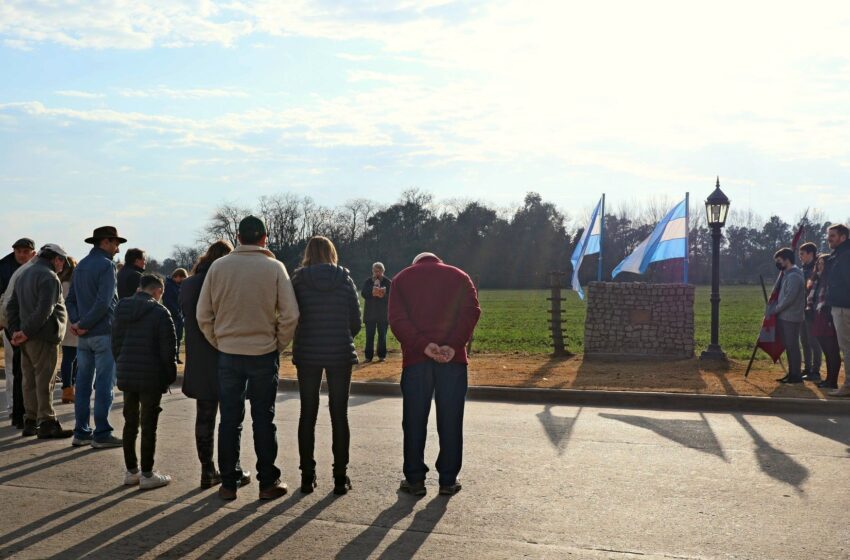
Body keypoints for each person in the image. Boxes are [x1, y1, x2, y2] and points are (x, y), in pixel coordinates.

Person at [197, 216, 300, 501]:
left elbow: (203, 315)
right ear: (264, 238)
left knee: (229, 420)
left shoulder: (218, 267)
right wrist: (276, 344)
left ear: (238, 237)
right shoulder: (274, 267)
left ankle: (228, 482)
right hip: (263, 352)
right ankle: (268, 481)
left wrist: (220, 341)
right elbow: (291, 315)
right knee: (264, 419)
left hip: (229, 352)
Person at [389, 252, 480, 496]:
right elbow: (471, 311)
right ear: (438, 260)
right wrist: (453, 343)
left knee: (414, 420)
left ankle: (415, 479)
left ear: (415, 263)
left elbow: (397, 320)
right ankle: (448, 480)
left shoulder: (400, 279)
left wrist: (423, 345)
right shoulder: (460, 276)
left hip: (417, 359)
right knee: (450, 419)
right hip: (453, 360)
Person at [291, 236, 361, 495]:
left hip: (308, 353)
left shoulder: (298, 281)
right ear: (332, 252)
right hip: (340, 353)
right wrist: (341, 337)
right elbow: (356, 319)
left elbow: (291, 314)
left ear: (308, 253)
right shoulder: (345, 280)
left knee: (307, 414)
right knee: (339, 414)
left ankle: (307, 477)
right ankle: (340, 477)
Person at [180, 240, 250, 489]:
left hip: (198, 356)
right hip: (226, 351)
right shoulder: (226, 280)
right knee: (231, 417)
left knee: (205, 416)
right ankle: (232, 468)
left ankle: (207, 469)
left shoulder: (188, 284)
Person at [112, 274, 177, 490]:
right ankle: (148, 473)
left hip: (127, 371)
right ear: (158, 290)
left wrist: (121, 364)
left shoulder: (122, 307)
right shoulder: (160, 312)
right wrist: (169, 376)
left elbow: (116, 341)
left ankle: (132, 471)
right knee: (149, 424)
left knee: (130, 422)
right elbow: (168, 351)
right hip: (151, 375)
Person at [66, 226, 125, 448]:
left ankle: (81, 432)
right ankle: (101, 433)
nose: (118, 247)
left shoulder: (81, 265)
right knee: (103, 384)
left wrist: (77, 322)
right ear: (105, 242)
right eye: (116, 242)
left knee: (82, 384)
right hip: (102, 332)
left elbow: (70, 300)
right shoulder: (107, 265)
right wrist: (83, 323)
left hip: (84, 334)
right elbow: (105, 302)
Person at [6, 244, 72, 438]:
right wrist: (24, 332)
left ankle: (30, 421)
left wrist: (16, 332)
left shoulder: (24, 274)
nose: (63, 266)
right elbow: (45, 310)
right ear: (56, 259)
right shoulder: (49, 277)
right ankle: (47, 422)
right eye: (62, 261)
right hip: (43, 337)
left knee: (29, 381)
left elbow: (11, 306)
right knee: (45, 382)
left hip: (26, 338)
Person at [0, 238, 36, 428]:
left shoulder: (36, 267)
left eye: (25, 251)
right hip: (10, 324)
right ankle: (13, 407)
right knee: (11, 368)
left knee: (27, 370)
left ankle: (26, 408)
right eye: (18, 251)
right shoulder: (4, 267)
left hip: (29, 325)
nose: (21, 254)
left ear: (32, 252)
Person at [807, 254, 841, 390]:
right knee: (827, 351)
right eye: (818, 263)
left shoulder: (830, 280)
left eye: (823, 264)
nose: (820, 266)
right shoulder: (816, 280)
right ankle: (828, 379)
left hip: (827, 316)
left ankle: (833, 381)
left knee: (832, 351)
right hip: (817, 316)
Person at [772, 247, 806, 384]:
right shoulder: (787, 274)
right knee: (789, 345)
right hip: (785, 316)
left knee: (792, 346)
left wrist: (776, 309)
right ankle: (791, 373)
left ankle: (796, 375)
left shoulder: (794, 276)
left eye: (779, 261)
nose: (778, 264)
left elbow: (789, 298)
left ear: (787, 260)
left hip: (791, 317)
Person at [825, 224, 850, 397]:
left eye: (832, 235)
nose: (829, 238)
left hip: (844, 307)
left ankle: (848, 385)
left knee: (847, 347)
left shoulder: (845, 255)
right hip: (842, 305)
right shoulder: (840, 254)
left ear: (843, 237)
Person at [798, 242, 822, 382]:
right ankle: (807, 368)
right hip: (801, 310)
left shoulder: (817, 270)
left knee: (814, 342)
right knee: (804, 341)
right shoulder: (801, 269)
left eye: (802, 254)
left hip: (812, 311)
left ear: (810, 254)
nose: (800, 257)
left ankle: (815, 370)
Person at [361, 262, 391, 363]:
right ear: (372, 271)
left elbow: (392, 297)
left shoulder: (388, 282)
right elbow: (363, 294)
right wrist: (372, 290)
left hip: (383, 315)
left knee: (382, 336)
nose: (376, 273)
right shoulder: (368, 282)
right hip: (370, 314)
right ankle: (368, 357)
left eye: (378, 271)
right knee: (369, 336)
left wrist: (383, 295)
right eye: (374, 271)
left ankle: (382, 356)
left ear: (383, 271)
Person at [58, 257, 78, 403]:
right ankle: (69, 388)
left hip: (65, 323)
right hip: (74, 322)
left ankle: (68, 388)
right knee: (72, 358)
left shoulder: (60, 282)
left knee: (68, 358)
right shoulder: (73, 284)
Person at [163, 268, 187, 363]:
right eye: (182, 278)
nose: (182, 281)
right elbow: (168, 301)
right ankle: (172, 357)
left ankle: (176, 356)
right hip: (173, 315)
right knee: (173, 337)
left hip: (178, 315)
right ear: (176, 276)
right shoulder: (169, 286)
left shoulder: (177, 286)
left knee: (179, 336)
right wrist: (176, 312)